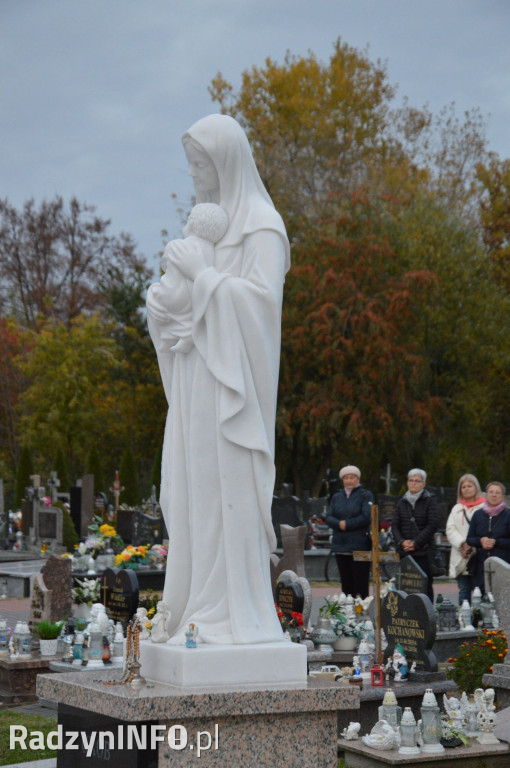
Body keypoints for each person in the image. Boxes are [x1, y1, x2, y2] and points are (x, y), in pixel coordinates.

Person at [146, 114, 290, 645]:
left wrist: (204, 277)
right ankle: (190, 606)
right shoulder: (202, 221)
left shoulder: (261, 226)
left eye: (201, 165)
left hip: (234, 395)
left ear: (226, 162)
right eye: (190, 166)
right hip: (193, 386)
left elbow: (260, 311)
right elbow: (173, 305)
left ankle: (229, 610)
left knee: (222, 497)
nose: (194, 176)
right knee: (189, 494)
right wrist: (161, 307)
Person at [152, 202, 229, 354]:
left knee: (158, 293)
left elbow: (165, 263)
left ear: (192, 224)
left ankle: (170, 336)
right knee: (191, 303)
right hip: (193, 298)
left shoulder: (177, 245)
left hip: (173, 296)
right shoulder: (212, 251)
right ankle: (188, 334)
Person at [391, 468, 440, 602]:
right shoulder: (402, 502)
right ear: (407, 483)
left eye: (417, 481)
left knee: (424, 587)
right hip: (405, 552)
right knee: (404, 587)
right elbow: (395, 525)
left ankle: (426, 617)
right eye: (411, 480)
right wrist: (401, 541)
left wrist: (416, 543)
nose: (414, 483)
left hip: (423, 552)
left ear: (423, 484)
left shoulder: (429, 501)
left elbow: (433, 524)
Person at [325, 465, 373, 598]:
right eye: (346, 478)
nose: (349, 481)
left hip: (359, 545)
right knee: (346, 583)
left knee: (360, 582)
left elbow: (366, 516)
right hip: (341, 545)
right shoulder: (337, 497)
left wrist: (347, 524)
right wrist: (339, 524)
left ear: (358, 479)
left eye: (352, 477)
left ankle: (362, 611)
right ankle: (347, 612)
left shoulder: (365, 495)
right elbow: (328, 516)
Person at [445, 474, 485, 604]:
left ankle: (483, 621)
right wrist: (462, 544)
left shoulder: (485, 507)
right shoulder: (456, 508)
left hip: (478, 555)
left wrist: (471, 545)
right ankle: (464, 620)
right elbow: (450, 529)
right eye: (463, 487)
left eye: (470, 486)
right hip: (461, 555)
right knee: (463, 590)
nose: (467, 489)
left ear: (476, 487)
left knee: (482, 591)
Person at [466, 481, 510, 594]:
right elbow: (470, 538)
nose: (494, 495)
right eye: (491, 492)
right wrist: (480, 541)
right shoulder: (477, 515)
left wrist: (496, 542)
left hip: (503, 564)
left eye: (497, 493)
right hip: (481, 565)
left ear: (503, 496)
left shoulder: (508, 515)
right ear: (486, 495)